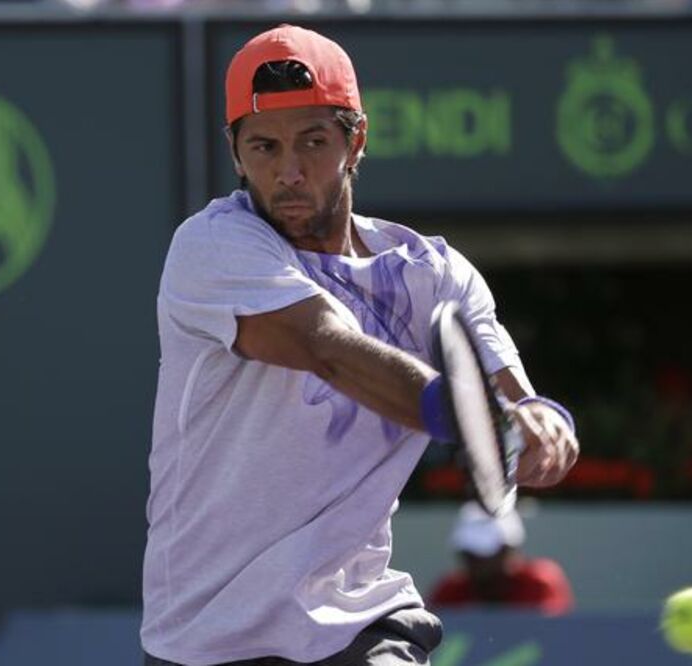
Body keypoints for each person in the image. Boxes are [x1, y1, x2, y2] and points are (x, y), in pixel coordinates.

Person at [141, 24, 579, 666]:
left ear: (357, 140)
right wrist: (454, 410)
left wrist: (543, 425)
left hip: (359, 622)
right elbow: (326, 346)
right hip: (208, 638)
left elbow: (516, 394)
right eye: (264, 146)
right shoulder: (210, 248)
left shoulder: (437, 273)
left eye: (313, 142)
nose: (288, 171)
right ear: (235, 153)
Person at [429, 502, 574, 615]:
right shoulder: (450, 590)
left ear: (509, 549)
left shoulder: (540, 583)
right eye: (468, 552)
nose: (474, 561)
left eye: (483, 552)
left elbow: (553, 637)